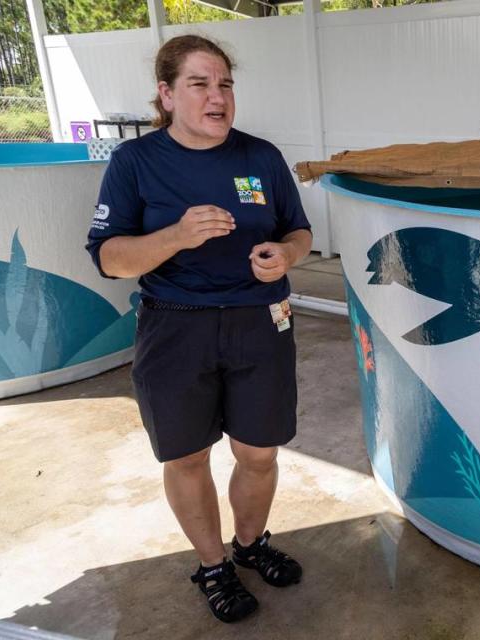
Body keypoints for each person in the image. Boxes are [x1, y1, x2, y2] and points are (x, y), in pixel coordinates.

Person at [85, 35, 312, 623]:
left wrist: (286, 256)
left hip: (260, 321)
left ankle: (250, 545)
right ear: (165, 94)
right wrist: (176, 237)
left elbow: (298, 231)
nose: (218, 97)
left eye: (225, 85)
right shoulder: (134, 163)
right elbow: (111, 259)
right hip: (175, 325)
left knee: (258, 452)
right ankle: (213, 565)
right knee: (186, 456)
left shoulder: (260, 156)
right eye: (200, 84)